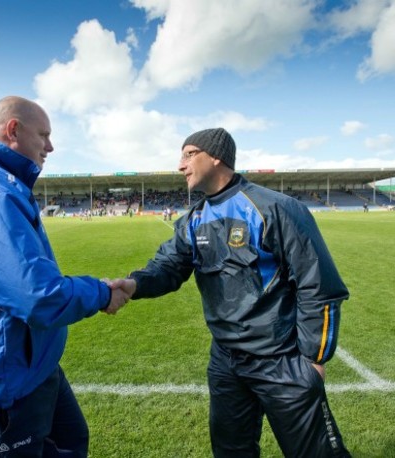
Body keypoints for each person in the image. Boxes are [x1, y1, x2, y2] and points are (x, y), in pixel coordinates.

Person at [111, 128, 350, 457]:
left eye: (189, 154)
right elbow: (168, 266)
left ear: (217, 156)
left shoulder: (275, 208)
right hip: (225, 362)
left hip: (281, 360)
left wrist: (314, 360)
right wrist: (134, 285)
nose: (180, 165)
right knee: (231, 452)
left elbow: (319, 284)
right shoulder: (194, 220)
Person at [0, 95, 128, 457]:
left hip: (32, 367)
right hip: (0, 384)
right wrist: (102, 294)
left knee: (72, 441)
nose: (50, 146)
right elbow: (37, 295)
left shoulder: (2, 185)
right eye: (44, 135)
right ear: (13, 130)